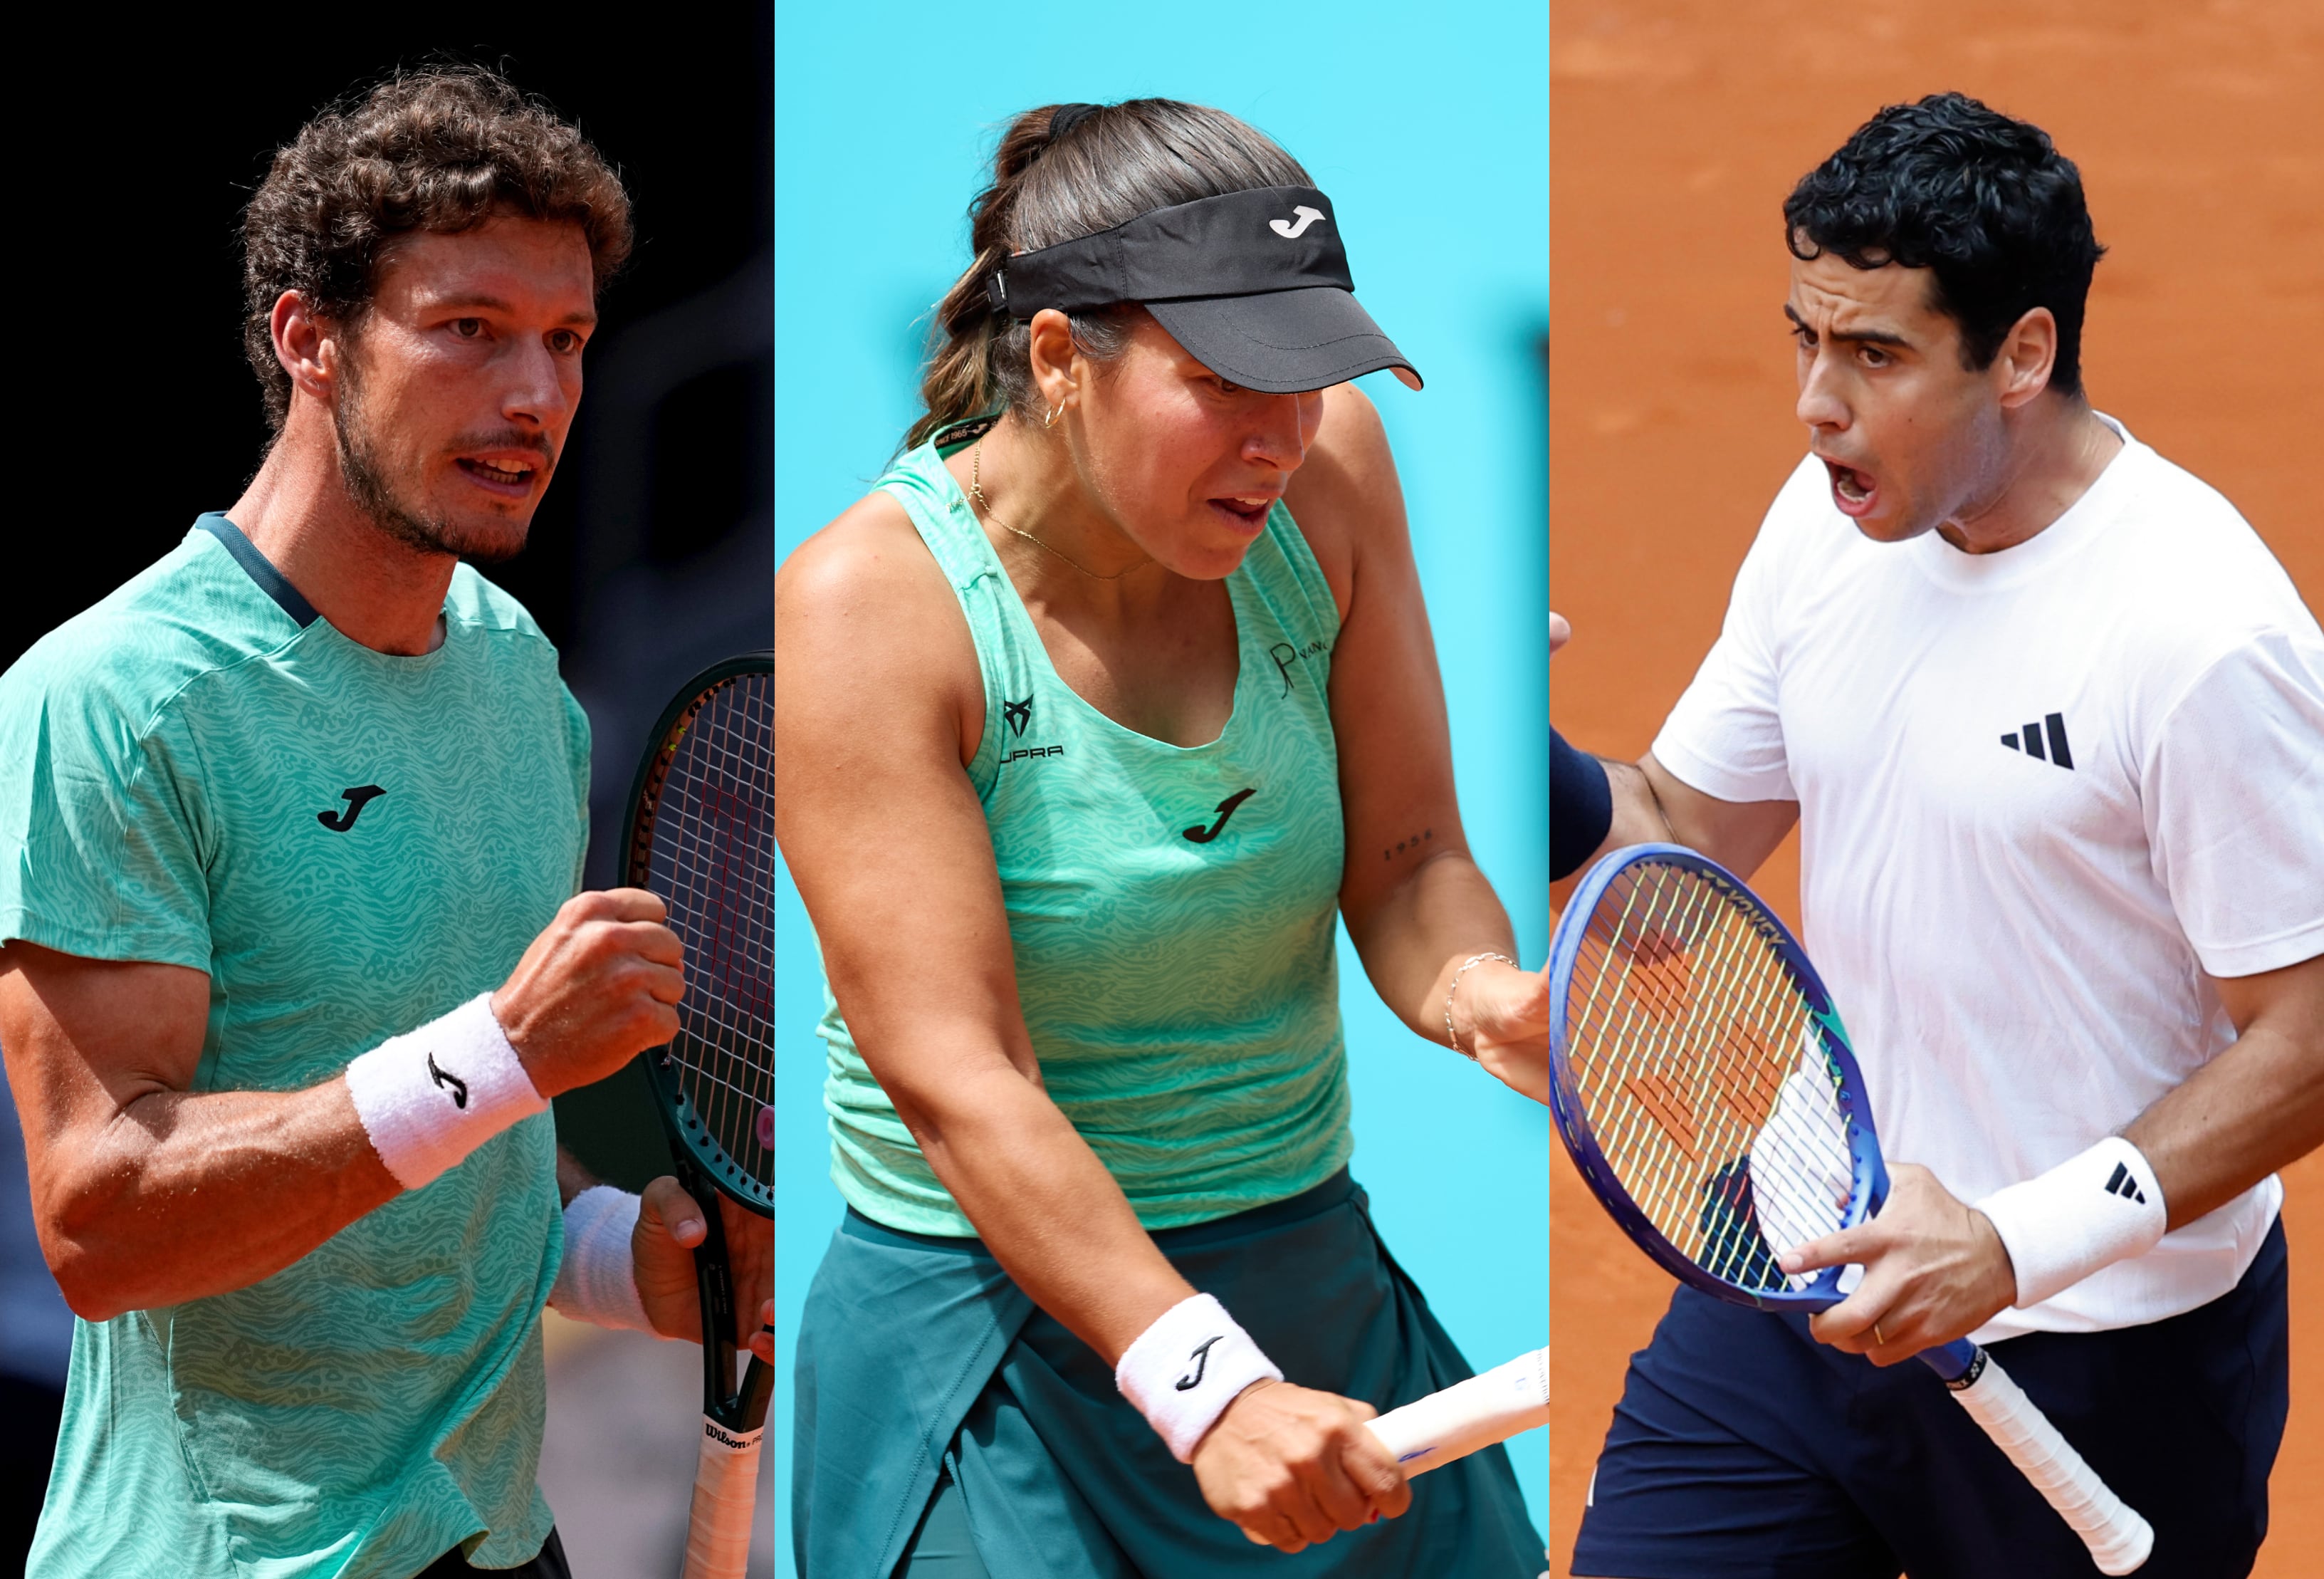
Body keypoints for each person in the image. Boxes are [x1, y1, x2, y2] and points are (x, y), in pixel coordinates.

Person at [0, 68, 773, 1579]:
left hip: (500, 1541)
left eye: (566, 342)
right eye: (469, 330)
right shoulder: (111, 695)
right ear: (310, 339)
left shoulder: (523, 682)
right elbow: (103, 1223)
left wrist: (635, 1264)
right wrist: (502, 1049)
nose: (536, 396)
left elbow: (471, 1175)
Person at [776, 99, 1547, 1577]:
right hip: (998, 1337)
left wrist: (1484, 996)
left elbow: (1407, 861)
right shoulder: (871, 605)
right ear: (1060, 360)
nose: (1280, 434)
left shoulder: (1331, 477)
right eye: (1223, 383)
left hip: (1312, 1285)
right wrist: (1212, 1381)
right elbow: (959, 1079)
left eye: (1311, 379)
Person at [1558, 93, 2324, 1578]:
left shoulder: (2200, 633)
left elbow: (2307, 1029)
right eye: (1806, 338)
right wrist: (1519, 760)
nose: (1817, 402)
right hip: (1792, 1273)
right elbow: (1668, 858)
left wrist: (2009, 1240)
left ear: (2023, 354)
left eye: (1877, 354)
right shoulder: (1828, 525)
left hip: (2104, 1353)